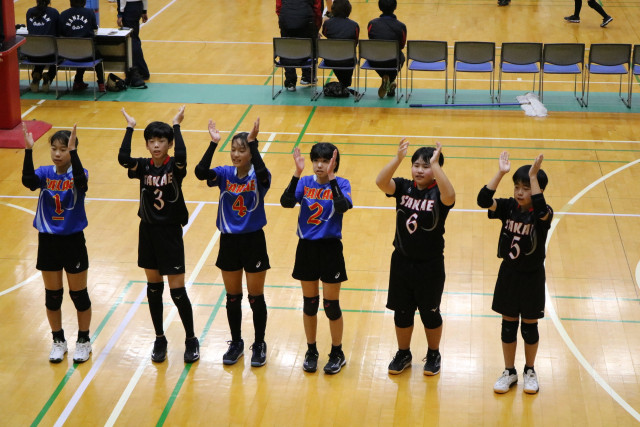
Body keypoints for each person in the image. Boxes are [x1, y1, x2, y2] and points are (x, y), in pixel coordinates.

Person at [117, 105, 200, 364]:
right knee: (154, 289)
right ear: (147, 144)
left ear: (169, 144)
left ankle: (191, 339)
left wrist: (177, 125)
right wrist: (130, 127)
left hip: (170, 233)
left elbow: (183, 154)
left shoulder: (175, 166)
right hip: (148, 231)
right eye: (152, 141)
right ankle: (159, 338)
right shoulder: (142, 166)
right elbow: (123, 158)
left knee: (177, 292)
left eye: (161, 141)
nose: (156, 145)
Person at [194, 118, 271, 367]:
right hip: (229, 241)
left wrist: (254, 144)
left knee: (255, 297)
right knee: (232, 297)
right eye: (233, 149)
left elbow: (263, 175)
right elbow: (200, 173)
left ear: (250, 153)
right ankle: (236, 342)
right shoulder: (225, 173)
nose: (236, 154)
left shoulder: (259, 175)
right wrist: (213, 143)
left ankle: (259, 343)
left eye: (242, 150)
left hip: (253, 240)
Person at [375, 139, 455, 376]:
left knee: (430, 313)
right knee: (402, 312)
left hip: (430, 265)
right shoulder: (403, 187)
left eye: (426, 166)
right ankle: (403, 353)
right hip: (401, 262)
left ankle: (434, 353)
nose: (419, 170)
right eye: (416, 165)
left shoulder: (439, 193)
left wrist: (436, 166)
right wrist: (398, 159)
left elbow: (450, 196)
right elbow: (381, 182)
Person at [476, 152, 553, 394]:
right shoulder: (509, 207)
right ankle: (509, 371)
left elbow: (540, 208)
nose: (520, 192)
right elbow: (482, 200)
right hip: (508, 274)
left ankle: (530, 370)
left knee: (529, 328)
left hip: (532, 277)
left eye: (526, 188)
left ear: (538, 189)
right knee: (508, 326)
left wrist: (534, 176)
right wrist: (501, 173)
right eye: (517, 187)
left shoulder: (544, 213)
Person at [21, 123, 92, 364]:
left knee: (79, 295)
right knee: (52, 296)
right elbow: (28, 181)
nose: (58, 153)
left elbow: (81, 182)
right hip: (48, 240)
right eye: (54, 149)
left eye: (63, 149)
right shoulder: (45, 173)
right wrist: (28, 150)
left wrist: (75, 152)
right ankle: (58, 340)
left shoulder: (80, 173)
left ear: (71, 151)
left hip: (73, 240)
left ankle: (83, 341)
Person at [280, 143, 352, 375]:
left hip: (330, 249)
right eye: (316, 160)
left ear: (334, 163)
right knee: (309, 304)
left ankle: (337, 352)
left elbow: (342, 206)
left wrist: (331, 179)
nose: (320, 165)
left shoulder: (342, 184)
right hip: (307, 248)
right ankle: (311, 350)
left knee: (331, 306)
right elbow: (286, 202)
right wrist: (297, 172)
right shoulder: (304, 182)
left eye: (325, 161)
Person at [58, 0, 105, 91]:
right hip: (86, 53)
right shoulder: (90, 12)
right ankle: (101, 84)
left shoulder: (63, 14)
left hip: (69, 54)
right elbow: (95, 28)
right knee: (96, 56)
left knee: (80, 50)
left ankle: (78, 81)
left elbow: (60, 33)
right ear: (84, 2)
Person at [276, 0, 323, 91]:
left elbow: (278, 7)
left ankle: (290, 81)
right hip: (306, 20)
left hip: (286, 19)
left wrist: (285, 20)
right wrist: (316, 29)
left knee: (287, 47)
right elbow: (317, 9)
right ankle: (308, 77)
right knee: (311, 44)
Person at [367, 0, 406, 98]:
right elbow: (401, 46)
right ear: (395, 7)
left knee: (374, 56)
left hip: (375, 61)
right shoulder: (401, 26)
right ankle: (391, 80)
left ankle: (387, 81)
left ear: (380, 7)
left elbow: (372, 42)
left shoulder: (371, 24)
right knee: (401, 57)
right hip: (392, 60)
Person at [321, 0, 359, 91]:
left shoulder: (327, 24)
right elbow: (355, 43)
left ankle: (343, 85)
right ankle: (344, 84)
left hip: (330, 60)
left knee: (337, 56)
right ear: (349, 10)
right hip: (348, 60)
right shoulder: (354, 25)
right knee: (348, 58)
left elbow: (325, 33)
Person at [25, 0, 59, 92]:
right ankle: (49, 76)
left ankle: (36, 73)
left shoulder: (29, 12)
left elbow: (30, 30)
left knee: (41, 50)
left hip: (32, 55)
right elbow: (58, 32)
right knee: (59, 56)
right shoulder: (54, 12)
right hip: (49, 54)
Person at [116, 0, 150, 80]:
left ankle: (140, 71)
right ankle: (136, 69)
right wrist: (144, 10)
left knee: (132, 40)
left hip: (129, 8)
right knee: (134, 38)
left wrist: (120, 14)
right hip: (138, 7)